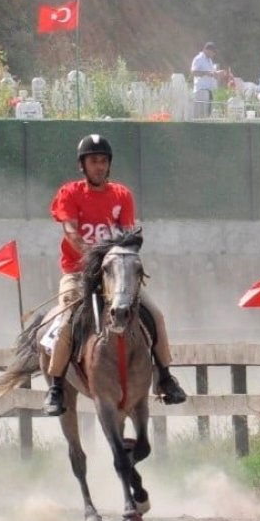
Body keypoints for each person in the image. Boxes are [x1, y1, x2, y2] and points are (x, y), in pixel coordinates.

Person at [43, 134, 187, 416]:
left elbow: (127, 236)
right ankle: (57, 387)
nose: (99, 166)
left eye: (103, 161)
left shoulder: (122, 195)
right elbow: (71, 232)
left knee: (155, 315)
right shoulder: (70, 193)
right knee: (67, 321)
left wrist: (118, 261)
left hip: (115, 277)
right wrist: (93, 258)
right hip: (78, 274)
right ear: (82, 166)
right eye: (93, 161)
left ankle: (165, 377)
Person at [191, 42, 219, 118]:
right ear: (207, 50)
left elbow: (211, 73)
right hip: (201, 90)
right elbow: (193, 72)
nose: (213, 54)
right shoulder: (198, 59)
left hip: (209, 90)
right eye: (213, 52)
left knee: (207, 115)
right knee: (201, 115)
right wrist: (205, 73)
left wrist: (217, 73)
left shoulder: (209, 60)